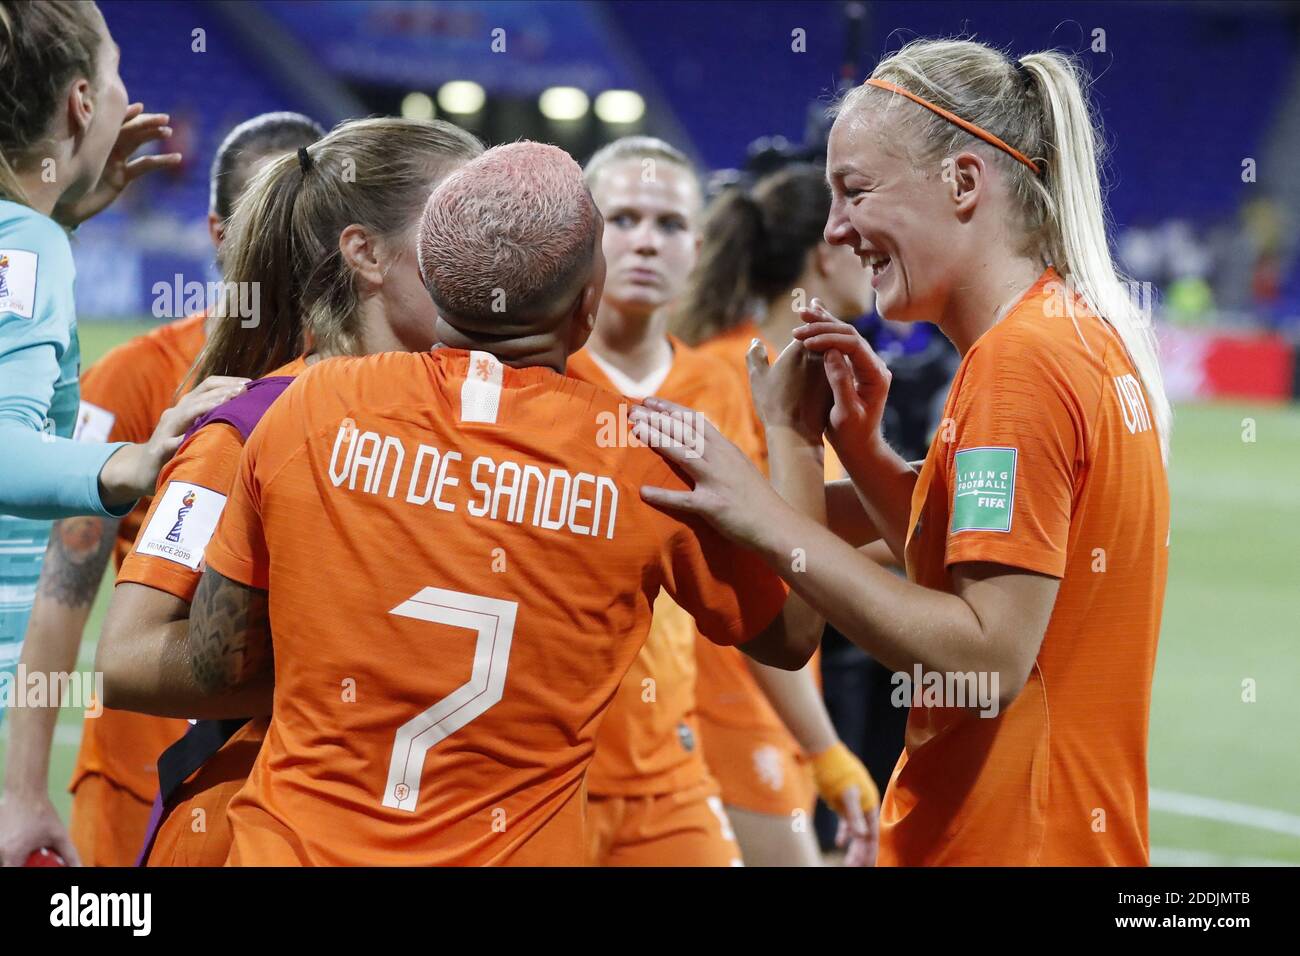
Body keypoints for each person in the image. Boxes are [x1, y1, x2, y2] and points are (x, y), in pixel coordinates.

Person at [111, 141, 826, 866]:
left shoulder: (304, 410)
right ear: (587, 304)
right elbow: (791, 620)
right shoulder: (639, 453)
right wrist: (800, 436)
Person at [630, 39, 1171, 866]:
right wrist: (853, 454)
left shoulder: (1020, 364)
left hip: (1009, 840)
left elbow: (987, 656)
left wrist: (770, 520)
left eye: (854, 190)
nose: (836, 229)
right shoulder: (1072, 337)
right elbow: (968, 549)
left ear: (961, 182)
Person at [92, 116, 483, 867]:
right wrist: (364, 671)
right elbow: (126, 657)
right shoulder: (241, 426)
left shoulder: (472, 417)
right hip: (246, 829)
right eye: (455, 231)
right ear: (365, 254)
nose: (482, 259)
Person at [0, 111, 323, 868]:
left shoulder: (357, 387)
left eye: (306, 220)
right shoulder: (137, 377)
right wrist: (21, 789)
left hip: (297, 777)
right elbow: (63, 592)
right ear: (219, 234)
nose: (287, 244)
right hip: (140, 775)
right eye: (263, 218)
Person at [0, 0, 244, 733]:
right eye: (114, 72)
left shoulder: (27, 240)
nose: (126, 95)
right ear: (81, 103)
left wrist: (62, 220)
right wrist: (126, 465)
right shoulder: (24, 245)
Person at [673, 163, 882, 864]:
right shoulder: (720, 378)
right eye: (856, 242)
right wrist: (825, 749)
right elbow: (744, 581)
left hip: (776, 710)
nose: (872, 257)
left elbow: (808, 551)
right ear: (825, 251)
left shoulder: (795, 378)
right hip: (725, 711)